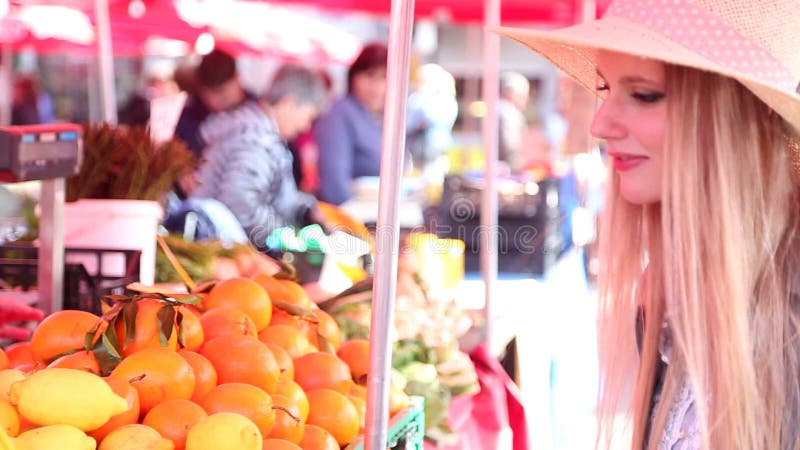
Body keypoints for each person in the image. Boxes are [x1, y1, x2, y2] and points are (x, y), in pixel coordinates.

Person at [495, 0, 800, 448]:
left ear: (742, 114)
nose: (600, 123)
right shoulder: (668, 289)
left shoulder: (786, 314)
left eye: (644, 94)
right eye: (605, 88)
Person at [191, 64, 327, 249]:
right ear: (288, 104)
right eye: (308, 117)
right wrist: (287, 236)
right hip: (224, 251)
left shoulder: (256, 132)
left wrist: (306, 210)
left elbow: (275, 197)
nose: (305, 127)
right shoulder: (257, 141)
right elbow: (241, 206)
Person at [314, 43, 388, 205]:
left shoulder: (374, 116)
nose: (376, 87)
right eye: (370, 75)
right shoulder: (338, 114)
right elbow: (335, 185)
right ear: (354, 76)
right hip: (349, 218)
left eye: (384, 77)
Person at [174, 48, 252, 157]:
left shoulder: (260, 111)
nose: (213, 99)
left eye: (221, 92)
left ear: (237, 78)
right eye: (206, 93)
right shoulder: (190, 117)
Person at [497, 71, 530, 173]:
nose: (526, 99)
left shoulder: (496, 108)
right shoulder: (507, 111)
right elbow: (511, 146)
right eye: (523, 95)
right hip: (506, 169)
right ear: (510, 92)